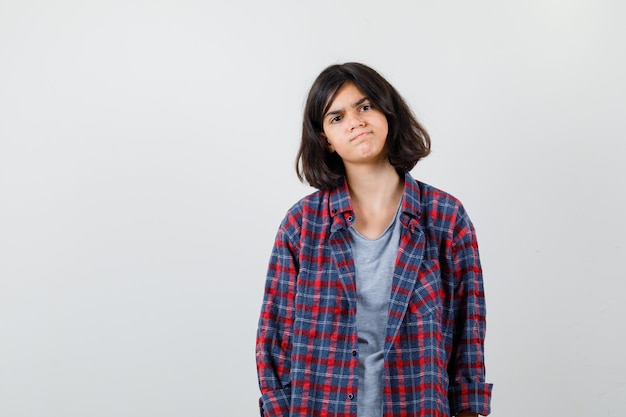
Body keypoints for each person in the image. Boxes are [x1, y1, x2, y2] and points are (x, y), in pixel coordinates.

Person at [256, 62, 492, 417]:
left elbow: (467, 330)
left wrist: (470, 408)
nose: (355, 122)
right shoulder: (301, 225)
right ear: (326, 140)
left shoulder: (446, 217)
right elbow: (274, 336)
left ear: (387, 113)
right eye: (336, 117)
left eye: (364, 107)